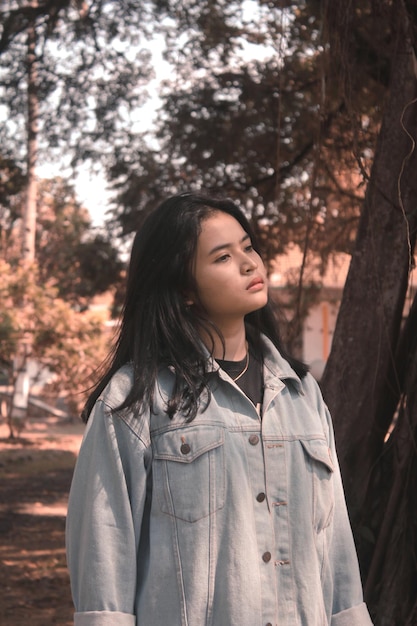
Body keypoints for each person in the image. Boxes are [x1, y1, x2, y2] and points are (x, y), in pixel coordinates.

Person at [66, 192, 373, 626]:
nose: (250, 263)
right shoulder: (135, 400)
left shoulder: (302, 395)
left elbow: (337, 555)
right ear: (184, 289)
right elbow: (104, 563)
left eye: (248, 247)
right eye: (223, 257)